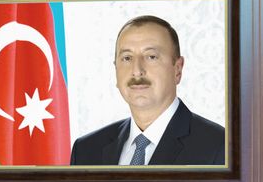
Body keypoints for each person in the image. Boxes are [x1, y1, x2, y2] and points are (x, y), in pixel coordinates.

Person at [70, 15, 225, 166]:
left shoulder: (220, 147)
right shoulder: (86, 150)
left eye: (151, 57)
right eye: (127, 58)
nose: (137, 71)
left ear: (177, 70)